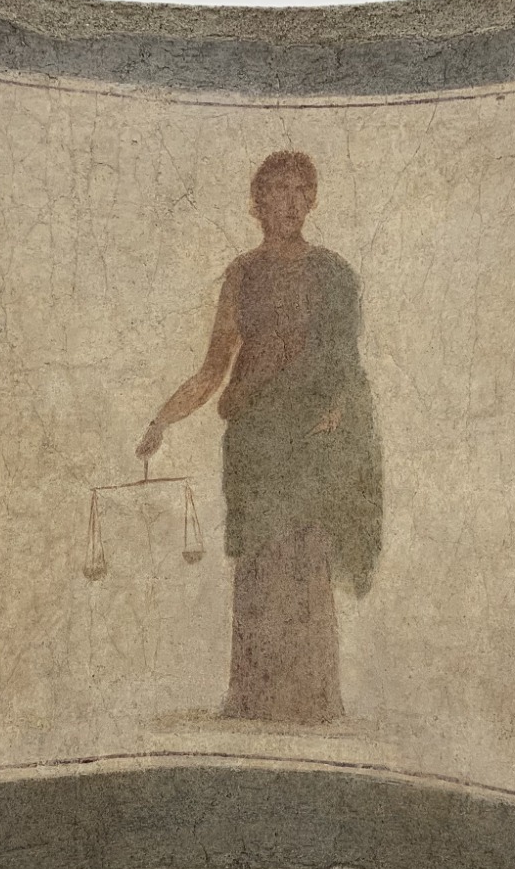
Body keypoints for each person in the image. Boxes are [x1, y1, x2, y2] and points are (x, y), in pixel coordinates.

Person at [136, 151, 382, 725]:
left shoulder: (334, 273)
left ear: (312, 201)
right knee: (259, 563)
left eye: (301, 191)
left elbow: (346, 366)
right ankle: (252, 698)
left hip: (312, 444)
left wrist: (335, 411)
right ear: (257, 204)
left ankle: (312, 701)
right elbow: (213, 368)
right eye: (278, 191)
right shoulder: (242, 275)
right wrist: (162, 420)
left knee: (305, 559)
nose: (291, 203)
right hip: (255, 442)